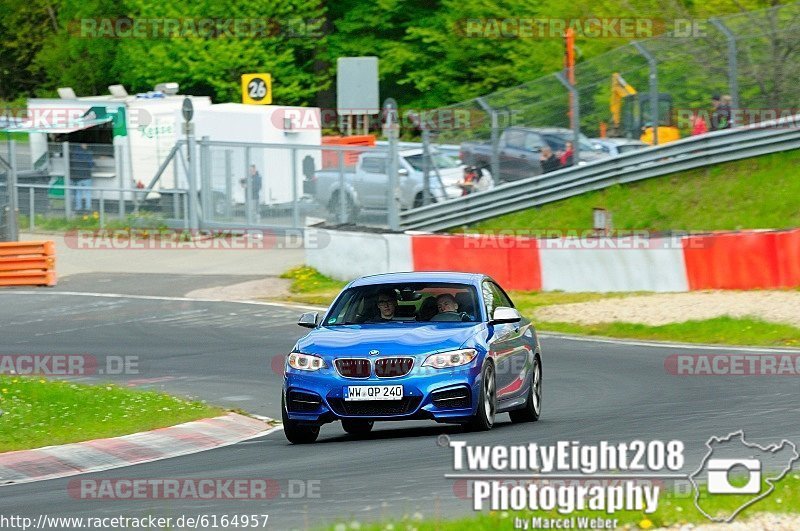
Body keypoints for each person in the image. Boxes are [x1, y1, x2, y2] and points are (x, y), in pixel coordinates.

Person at [70, 143, 94, 212]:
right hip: (86, 175)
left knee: (78, 192)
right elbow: (90, 164)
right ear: (83, 144)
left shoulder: (74, 153)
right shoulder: (87, 153)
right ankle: (88, 208)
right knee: (88, 192)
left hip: (77, 176)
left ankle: (78, 208)